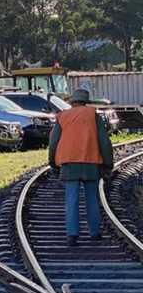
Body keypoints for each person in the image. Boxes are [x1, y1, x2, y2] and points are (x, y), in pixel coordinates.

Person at [49, 88, 113, 247]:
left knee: (72, 199)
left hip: (69, 163)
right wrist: (107, 164)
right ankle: (94, 233)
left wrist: (52, 163)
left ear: (72, 102)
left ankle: (72, 235)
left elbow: (53, 142)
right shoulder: (93, 115)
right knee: (92, 198)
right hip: (91, 162)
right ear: (86, 101)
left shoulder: (62, 116)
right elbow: (104, 141)